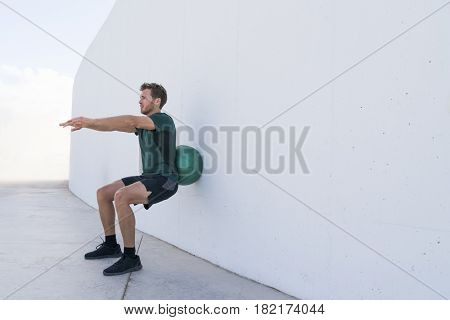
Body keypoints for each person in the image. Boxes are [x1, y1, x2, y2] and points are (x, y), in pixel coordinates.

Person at [59, 83, 178, 276]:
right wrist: (88, 124)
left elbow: (130, 119)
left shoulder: (164, 120)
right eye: (140, 97)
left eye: (144, 97)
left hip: (166, 180)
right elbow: (116, 125)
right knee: (103, 193)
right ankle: (111, 245)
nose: (139, 100)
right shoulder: (143, 126)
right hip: (148, 177)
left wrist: (89, 121)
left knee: (121, 196)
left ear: (157, 101)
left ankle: (131, 258)